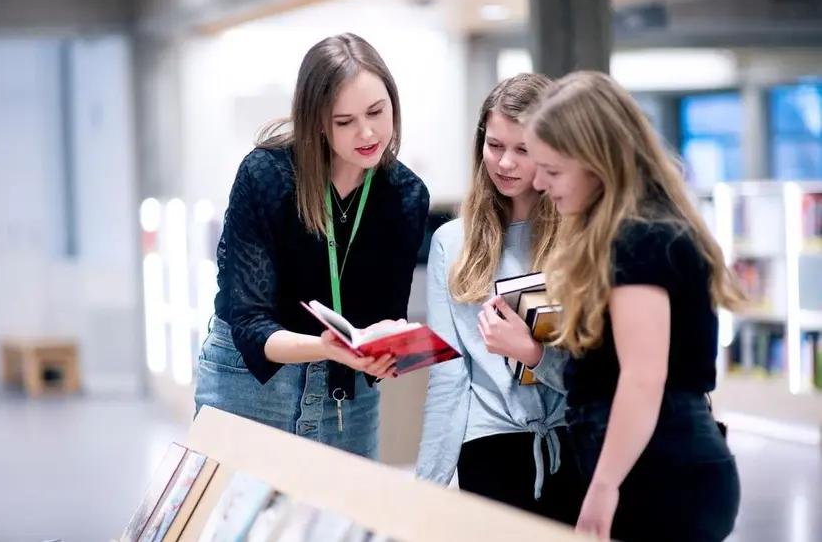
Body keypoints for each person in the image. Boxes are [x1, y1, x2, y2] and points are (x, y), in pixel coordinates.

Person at [525, 71, 743, 541]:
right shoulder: (639, 230)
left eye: (553, 169)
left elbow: (643, 378)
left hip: (662, 474)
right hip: (660, 464)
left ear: (597, 163)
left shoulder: (640, 237)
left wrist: (603, 486)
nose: (539, 182)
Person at [194, 33, 430, 459]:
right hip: (252, 386)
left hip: (346, 395)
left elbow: (385, 316)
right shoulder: (267, 175)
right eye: (344, 121)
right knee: (234, 521)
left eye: (377, 111)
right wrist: (326, 346)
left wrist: (384, 349)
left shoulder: (405, 195)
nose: (367, 132)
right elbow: (248, 322)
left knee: (343, 522)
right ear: (317, 121)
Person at [416, 73, 582, 525]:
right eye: (494, 145)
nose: (505, 163)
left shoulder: (579, 236)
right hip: (488, 450)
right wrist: (424, 493)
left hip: (576, 444)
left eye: (522, 149)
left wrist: (533, 354)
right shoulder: (453, 243)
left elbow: (600, 377)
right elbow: (448, 380)